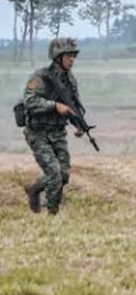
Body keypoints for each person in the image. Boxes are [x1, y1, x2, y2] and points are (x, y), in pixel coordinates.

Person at [21, 38, 85, 215]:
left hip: (58, 132)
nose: (72, 60)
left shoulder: (70, 80)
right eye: (68, 56)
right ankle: (52, 213)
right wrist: (54, 105)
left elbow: (72, 105)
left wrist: (78, 124)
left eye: (74, 56)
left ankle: (35, 189)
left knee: (63, 175)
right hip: (38, 132)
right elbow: (30, 101)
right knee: (54, 173)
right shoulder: (40, 77)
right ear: (57, 57)